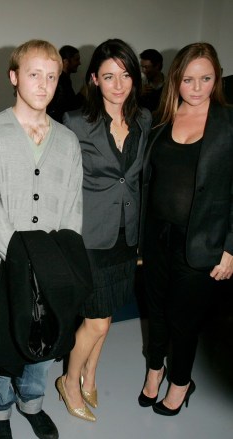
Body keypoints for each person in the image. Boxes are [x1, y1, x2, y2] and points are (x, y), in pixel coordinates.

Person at [0, 40, 83, 439]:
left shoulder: (68, 142)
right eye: (34, 74)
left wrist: (60, 265)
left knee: (45, 342)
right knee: (3, 346)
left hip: (51, 270)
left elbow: (73, 207)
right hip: (2, 266)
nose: (44, 84)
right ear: (14, 77)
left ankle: (31, 403)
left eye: (52, 77)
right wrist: (23, 259)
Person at [138, 42, 233, 416]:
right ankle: (154, 370)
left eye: (206, 78)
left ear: (217, 78)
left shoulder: (228, 123)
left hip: (202, 241)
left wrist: (230, 247)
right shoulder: (159, 122)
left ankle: (181, 382)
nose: (196, 88)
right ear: (176, 79)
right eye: (189, 79)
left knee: (184, 320)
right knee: (156, 312)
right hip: (157, 236)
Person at [59, 38, 151, 421]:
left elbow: (140, 180)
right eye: (109, 75)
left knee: (108, 316)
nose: (118, 84)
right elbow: (61, 182)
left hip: (126, 236)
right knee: (94, 320)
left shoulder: (144, 119)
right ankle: (69, 379)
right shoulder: (75, 122)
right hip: (89, 237)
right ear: (94, 78)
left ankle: (90, 376)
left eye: (126, 74)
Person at [47, 45, 84, 122]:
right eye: (76, 59)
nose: (79, 63)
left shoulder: (62, 79)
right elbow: (67, 107)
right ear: (66, 61)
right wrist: (82, 94)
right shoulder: (60, 80)